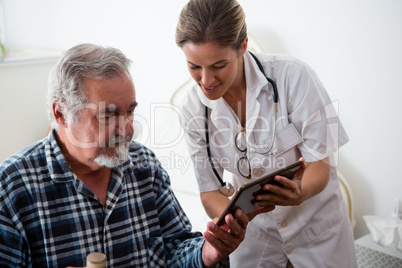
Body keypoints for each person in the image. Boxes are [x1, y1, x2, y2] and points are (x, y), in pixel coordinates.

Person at [0, 43, 250, 268]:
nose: (127, 130)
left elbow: (174, 250)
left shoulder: (145, 165)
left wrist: (208, 252)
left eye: (130, 112)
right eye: (108, 115)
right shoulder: (11, 187)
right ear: (61, 114)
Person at [175, 0, 357, 267]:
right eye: (194, 67)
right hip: (254, 240)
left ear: (243, 46)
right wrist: (233, 222)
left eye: (218, 65)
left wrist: (299, 192)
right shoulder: (192, 109)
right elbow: (209, 192)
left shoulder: (293, 77)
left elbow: (321, 166)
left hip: (317, 233)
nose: (206, 81)